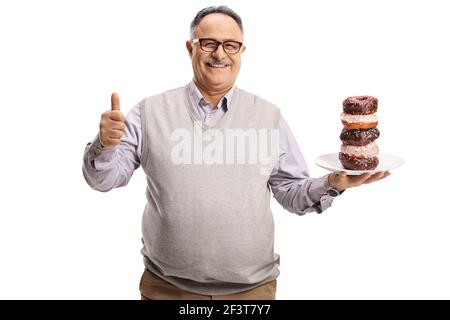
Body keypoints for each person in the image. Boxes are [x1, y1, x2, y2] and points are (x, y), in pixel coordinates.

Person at [82, 5, 390, 300]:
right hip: (167, 289)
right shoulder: (149, 113)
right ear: (190, 48)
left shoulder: (268, 116)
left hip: (252, 291)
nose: (219, 54)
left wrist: (332, 183)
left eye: (230, 45)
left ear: (242, 51)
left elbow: (290, 192)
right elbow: (104, 180)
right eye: (208, 43)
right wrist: (105, 145)